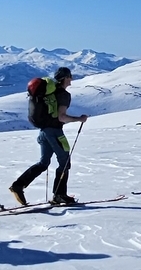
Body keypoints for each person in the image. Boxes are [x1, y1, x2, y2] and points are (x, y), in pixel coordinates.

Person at [10, 67, 91, 206]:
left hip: (44, 132)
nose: (71, 80)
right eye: (70, 77)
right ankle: (59, 195)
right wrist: (79, 119)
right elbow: (61, 117)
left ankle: (18, 185)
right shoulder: (63, 94)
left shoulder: (48, 93)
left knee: (43, 163)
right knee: (64, 163)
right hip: (55, 132)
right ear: (65, 78)